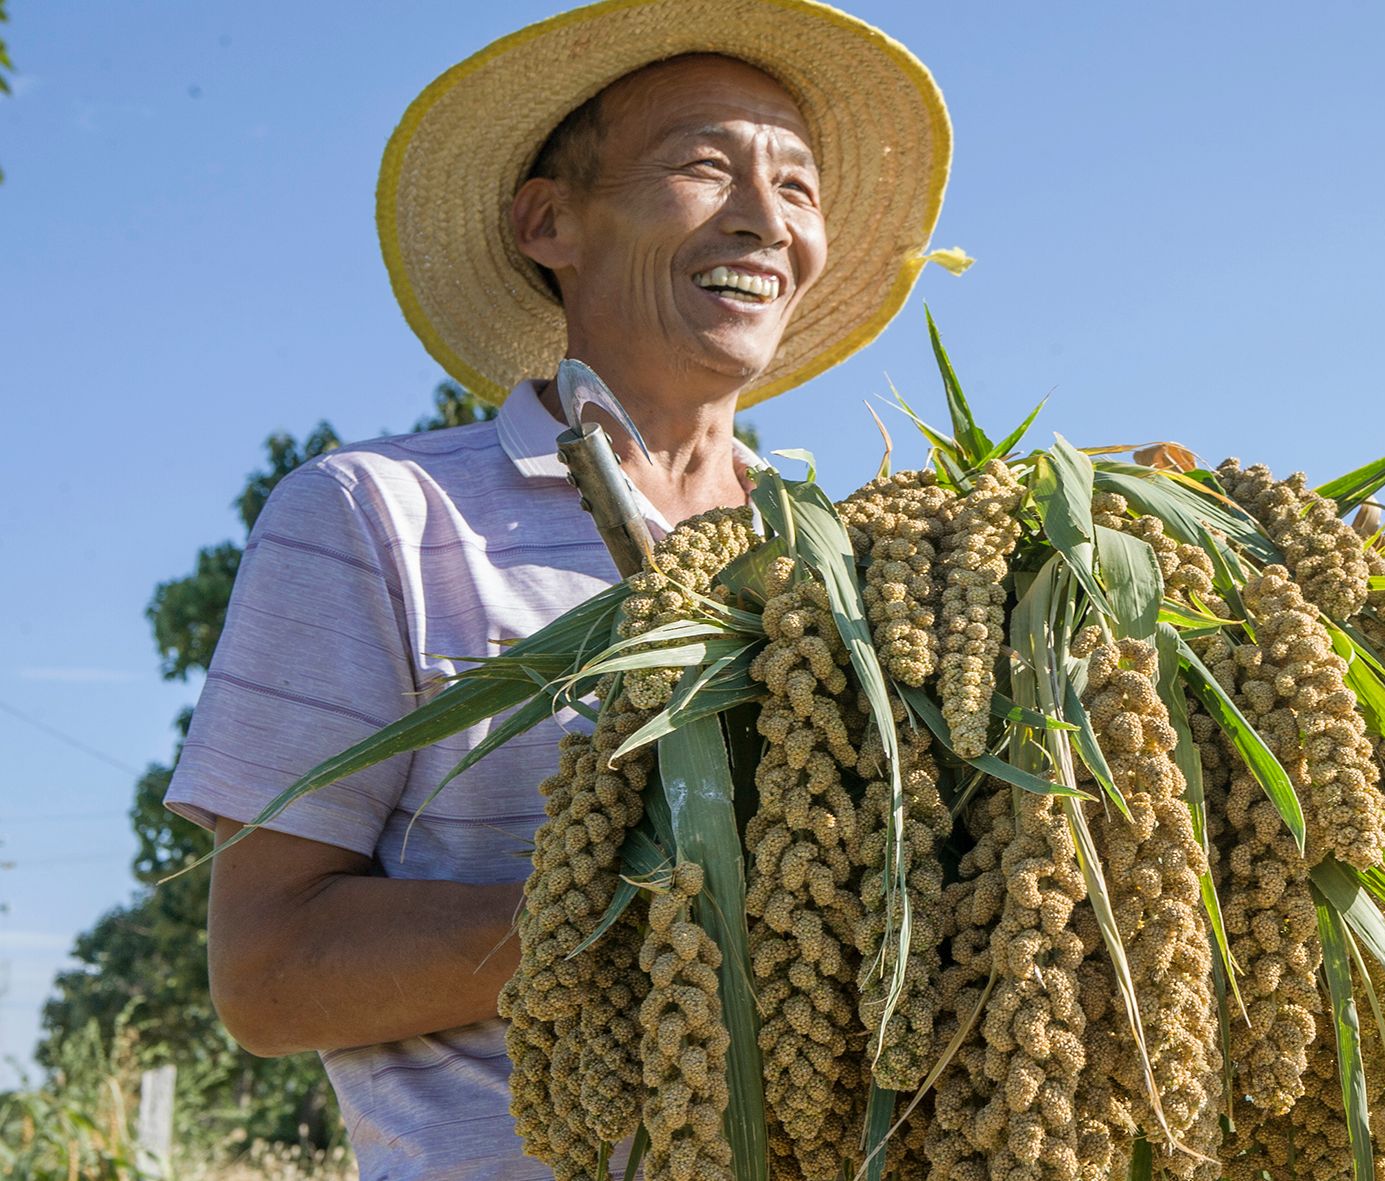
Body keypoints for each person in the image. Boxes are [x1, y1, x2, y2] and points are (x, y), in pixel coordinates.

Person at [162, 1, 957, 1175]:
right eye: (704, 165)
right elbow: (269, 970)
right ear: (549, 220)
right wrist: (662, 917)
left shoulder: (858, 574)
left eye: (799, 187)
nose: (765, 218)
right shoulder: (373, 516)